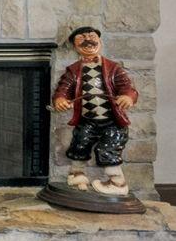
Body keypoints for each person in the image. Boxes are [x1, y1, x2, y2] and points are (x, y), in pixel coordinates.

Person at [52, 25, 138, 197]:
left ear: (99, 41)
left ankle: (117, 182)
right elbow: (63, 89)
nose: (88, 41)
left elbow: (128, 87)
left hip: (113, 121)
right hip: (87, 120)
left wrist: (128, 97)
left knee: (108, 148)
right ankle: (77, 174)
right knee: (80, 143)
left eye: (91, 37)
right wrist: (60, 100)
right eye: (81, 39)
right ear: (75, 47)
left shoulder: (113, 68)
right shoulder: (73, 71)